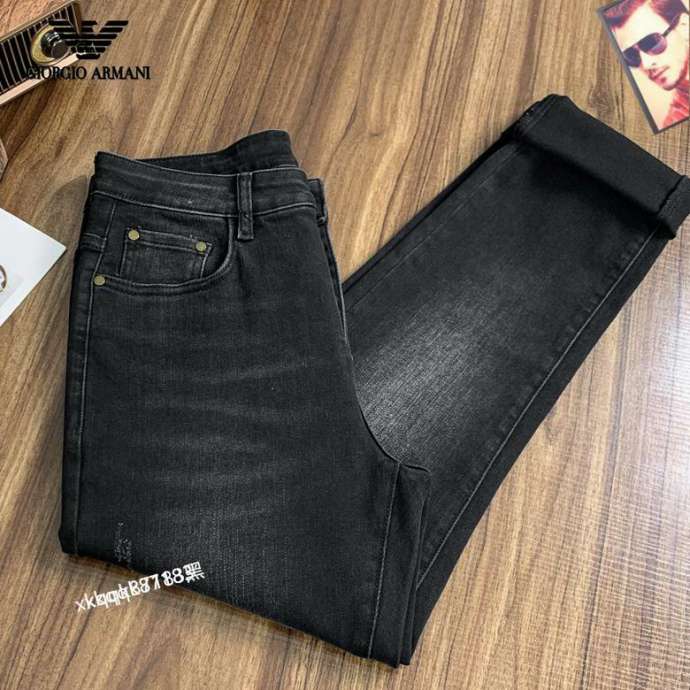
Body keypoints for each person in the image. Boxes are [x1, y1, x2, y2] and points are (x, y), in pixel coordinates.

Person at [605, 0, 689, 128]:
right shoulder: (676, 122)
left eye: (651, 42)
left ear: (685, 26)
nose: (646, 64)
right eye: (631, 55)